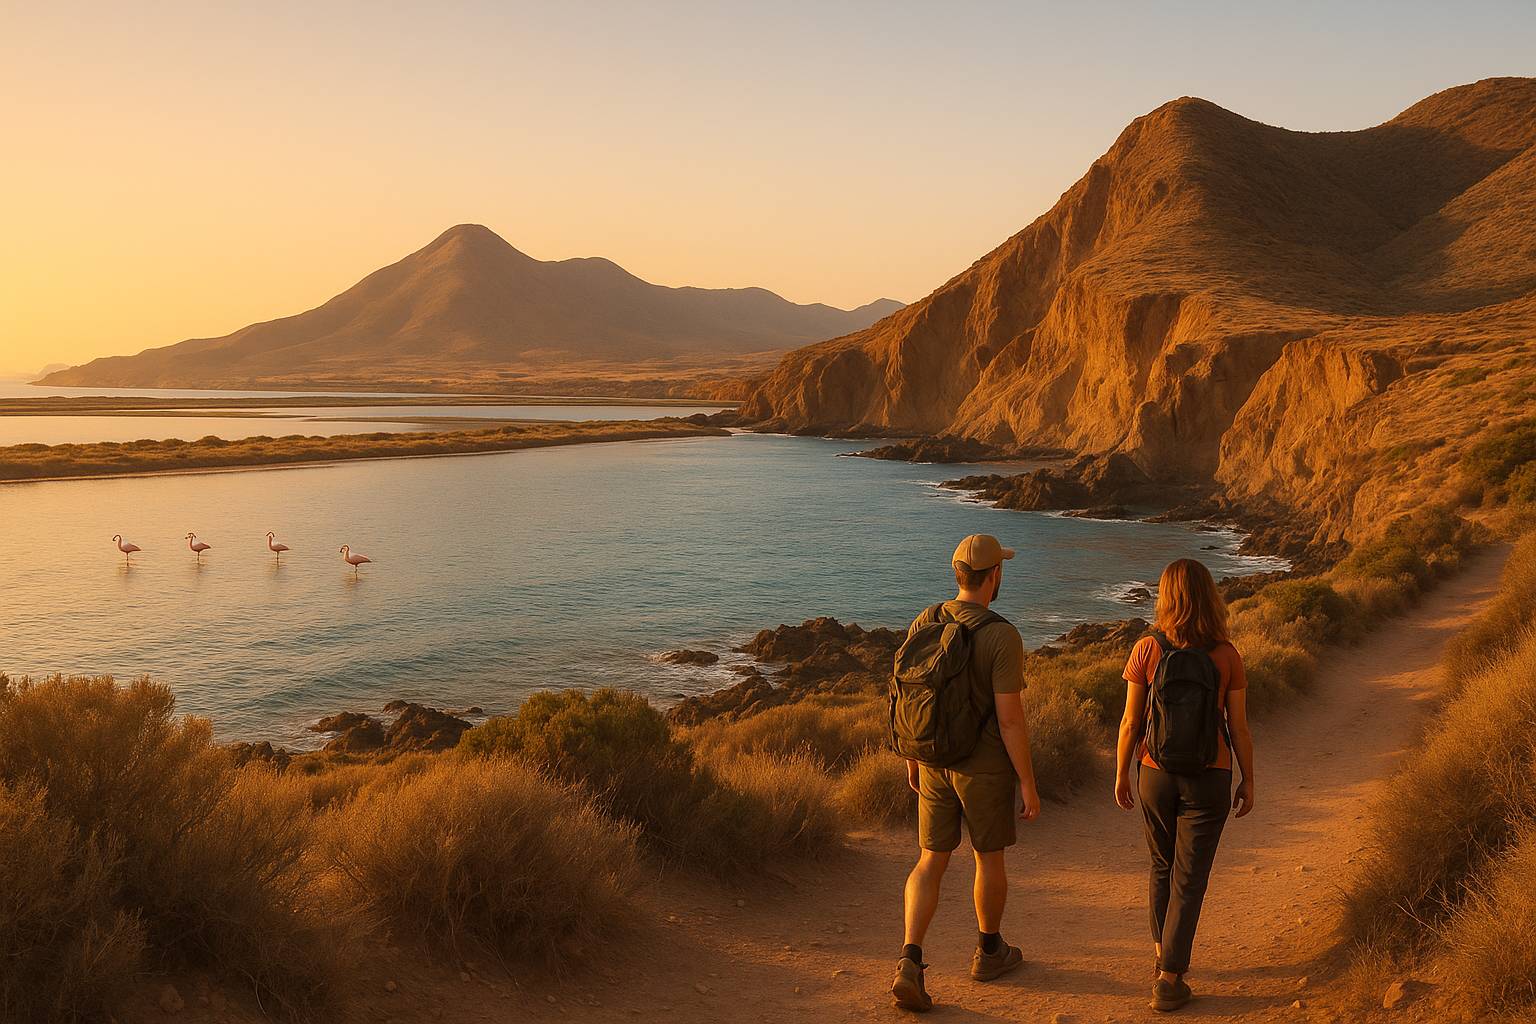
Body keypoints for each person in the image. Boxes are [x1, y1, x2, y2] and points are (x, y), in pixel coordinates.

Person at [890, 534, 1042, 1013]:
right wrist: (1028, 781)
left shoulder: (926, 620)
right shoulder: (1002, 635)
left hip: (932, 761)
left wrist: (912, 757)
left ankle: (910, 961)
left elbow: (908, 695)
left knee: (929, 860)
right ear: (995, 575)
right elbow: (1010, 720)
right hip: (984, 768)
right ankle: (989, 952)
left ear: (957, 574)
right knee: (987, 858)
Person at [1114, 558, 1256, 1012]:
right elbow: (1239, 728)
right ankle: (1171, 977)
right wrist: (1248, 779)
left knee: (1161, 865)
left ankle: (1164, 958)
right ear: (1210, 597)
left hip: (1154, 772)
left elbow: (1131, 722)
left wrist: (1121, 772)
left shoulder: (1146, 649)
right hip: (1210, 776)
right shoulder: (1227, 655)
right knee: (1189, 878)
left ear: (1165, 596)